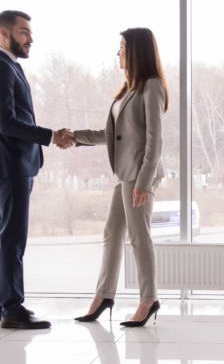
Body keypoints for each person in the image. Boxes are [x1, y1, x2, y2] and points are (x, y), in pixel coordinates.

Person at [61, 28, 167, 327]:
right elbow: (113, 136)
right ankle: (104, 295)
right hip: (126, 175)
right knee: (112, 232)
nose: (118, 53)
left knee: (139, 237)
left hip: (139, 176)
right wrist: (75, 137)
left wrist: (145, 182)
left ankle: (148, 299)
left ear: (136, 51)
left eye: (122, 47)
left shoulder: (152, 86)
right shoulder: (129, 90)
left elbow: (155, 140)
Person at [0, 10, 73, 329]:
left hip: (14, 162)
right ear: (3, 34)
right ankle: (11, 308)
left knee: (4, 233)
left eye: (29, 32)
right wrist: (50, 136)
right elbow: (7, 123)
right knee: (13, 236)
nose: (30, 38)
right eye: (23, 32)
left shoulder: (8, 67)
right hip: (12, 162)